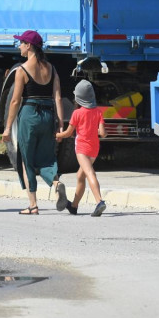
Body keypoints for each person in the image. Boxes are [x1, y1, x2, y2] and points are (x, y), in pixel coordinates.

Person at [2, 30, 66, 215]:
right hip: (48, 115)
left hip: (29, 114)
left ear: (29, 46)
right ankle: (56, 183)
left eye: (21, 42)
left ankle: (33, 205)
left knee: (26, 160)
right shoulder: (51, 69)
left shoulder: (21, 70)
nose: (19, 46)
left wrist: (7, 128)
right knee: (46, 157)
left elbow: (15, 101)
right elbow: (58, 98)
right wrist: (60, 124)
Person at [56, 79, 108, 216]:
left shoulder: (77, 114)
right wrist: (92, 131)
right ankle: (73, 206)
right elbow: (103, 133)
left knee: (90, 173)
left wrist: (56, 134)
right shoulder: (98, 112)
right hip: (94, 149)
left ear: (78, 98)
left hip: (82, 149)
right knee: (80, 176)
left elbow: (68, 133)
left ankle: (99, 201)